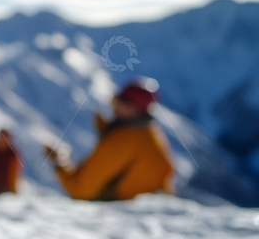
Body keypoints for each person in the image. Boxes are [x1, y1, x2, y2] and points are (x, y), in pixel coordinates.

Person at [45, 83, 174, 201]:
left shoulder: (123, 140)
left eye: (119, 100)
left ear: (133, 108)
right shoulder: (149, 132)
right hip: (152, 203)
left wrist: (60, 163)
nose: (113, 104)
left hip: (124, 210)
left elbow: (80, 190)